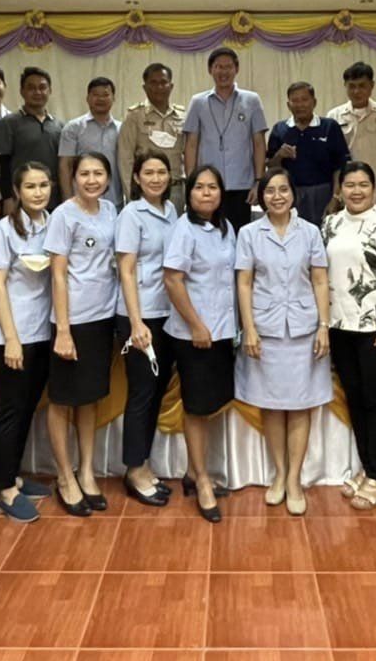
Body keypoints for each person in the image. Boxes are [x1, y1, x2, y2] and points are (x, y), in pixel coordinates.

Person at [235, 168, 332, 516]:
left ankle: (294, 480)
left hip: (304, 329)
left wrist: (324, 326)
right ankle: (279, 474)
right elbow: (244, 283)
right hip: (266, 329)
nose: (277, 196)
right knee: (273, 405)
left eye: (283, 190)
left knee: (300, 405)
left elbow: (320, 280)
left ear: (293, 194)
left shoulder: (310, 232)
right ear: (261, 197)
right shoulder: (249, 233)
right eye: (270, 191)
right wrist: (249, 328)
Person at [322, 161, 376, 511]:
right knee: (355, 398)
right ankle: (366, 467)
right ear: (340, 189)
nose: (356, 191)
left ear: (374, 189)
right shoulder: (330, 224)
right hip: (339, 326)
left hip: (374, 327)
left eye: (363, 185)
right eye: (350, 184)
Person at [44, 152, 120, 517]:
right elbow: (57, 274)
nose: (92, 180)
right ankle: (64, 476)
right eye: (85, 174)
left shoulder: (111, 210)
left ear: (108, 178)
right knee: (62, 399)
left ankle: (86, 470)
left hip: (102, 317)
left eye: (98, 173)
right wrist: (63, 329)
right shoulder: (63, 215)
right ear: (73, 178)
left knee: (89, 398)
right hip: (71, 321)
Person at [164, 165, 240, 522]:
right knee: (196, 407)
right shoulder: (184, 228)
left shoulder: (226, 228)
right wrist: (196, 325)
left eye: (213, 187)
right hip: (194, 334)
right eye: (199, 187)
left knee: (209, 404)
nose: (206, 193)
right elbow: (172, 280)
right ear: (189, 193)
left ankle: (194, 473)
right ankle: (203, 481)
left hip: (222, 332)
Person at [0, 162, 56, 523]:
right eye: (30, 186)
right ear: (16, 191)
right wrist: (11, 339)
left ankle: (13, 475)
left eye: (43, 185)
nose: (38, 192)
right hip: (13, 335)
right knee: (11, 410)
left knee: (28, 407)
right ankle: (3, 489)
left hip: (43, 331)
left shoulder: (53, 223)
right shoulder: (5, 229)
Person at [115, 150, 180, 506]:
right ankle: (133, 469)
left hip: (166, 313)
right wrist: (136, 322)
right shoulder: (131, 214)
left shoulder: (171, 212)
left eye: (161, 172)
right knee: (141, 392)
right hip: (139, 316)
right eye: (149, 172)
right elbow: (126, 270)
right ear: (137, 178)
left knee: (155, 392)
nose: (156, 178)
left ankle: (143, 462)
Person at [183, 47, 267, 230]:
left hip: (242, 184)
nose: (223, 72)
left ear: (237, 69)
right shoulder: (198, 102)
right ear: (210, 69)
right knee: (207, 233)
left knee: (239, 234)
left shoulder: (252, 100)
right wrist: (191, 184)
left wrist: (258, 181)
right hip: (208, 185)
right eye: (218, 67)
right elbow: (191, 145)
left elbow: (259, 143)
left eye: (228, 67)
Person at [326, 63, 376, 211]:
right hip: (347, 194)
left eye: (362, 86)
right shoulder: (334, 116)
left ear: (372, 86)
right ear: (345, 86)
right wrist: (336, 196)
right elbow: (333, 161)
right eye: (351, 86)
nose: (356, 91)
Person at [266, 81, 350, 225]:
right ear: (288, 105)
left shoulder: (329, 126)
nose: (300, 105)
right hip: (291, 195)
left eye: (304, 99)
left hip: (324, 193)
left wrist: (336, 197)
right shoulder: (279, 129)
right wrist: (279, 156)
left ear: (314, 102)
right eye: (295, 101)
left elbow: (340, 167)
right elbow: (271, 167)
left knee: (325, 233)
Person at [117, 62, 187, 210]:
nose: (159, 87)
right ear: (145, 87)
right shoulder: (134, 116)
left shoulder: (182, 116)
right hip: (145, 190)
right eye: (153, 83)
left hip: (176, 189)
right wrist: (132, 196)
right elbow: (125, 158)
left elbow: (189, 155)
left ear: (171, 86)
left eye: (163, 82)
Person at [0, 66, 63, 210]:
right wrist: (7, 198)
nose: (37, 92)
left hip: (54, 200)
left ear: (50, 90)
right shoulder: (9, 123)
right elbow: (2, 164)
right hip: (19, 200)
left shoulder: (60, 126)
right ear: (22, 91)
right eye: (31, 88)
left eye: (42, 87)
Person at [59, 76, 123, 207]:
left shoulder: (122, 129)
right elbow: (65, 166)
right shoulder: (73, 128)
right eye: (95, 95)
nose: (101, 99)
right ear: (87, 98)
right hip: (81, 201)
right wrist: (68, 201)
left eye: (105, 95)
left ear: (114, 98)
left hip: (115, 201)